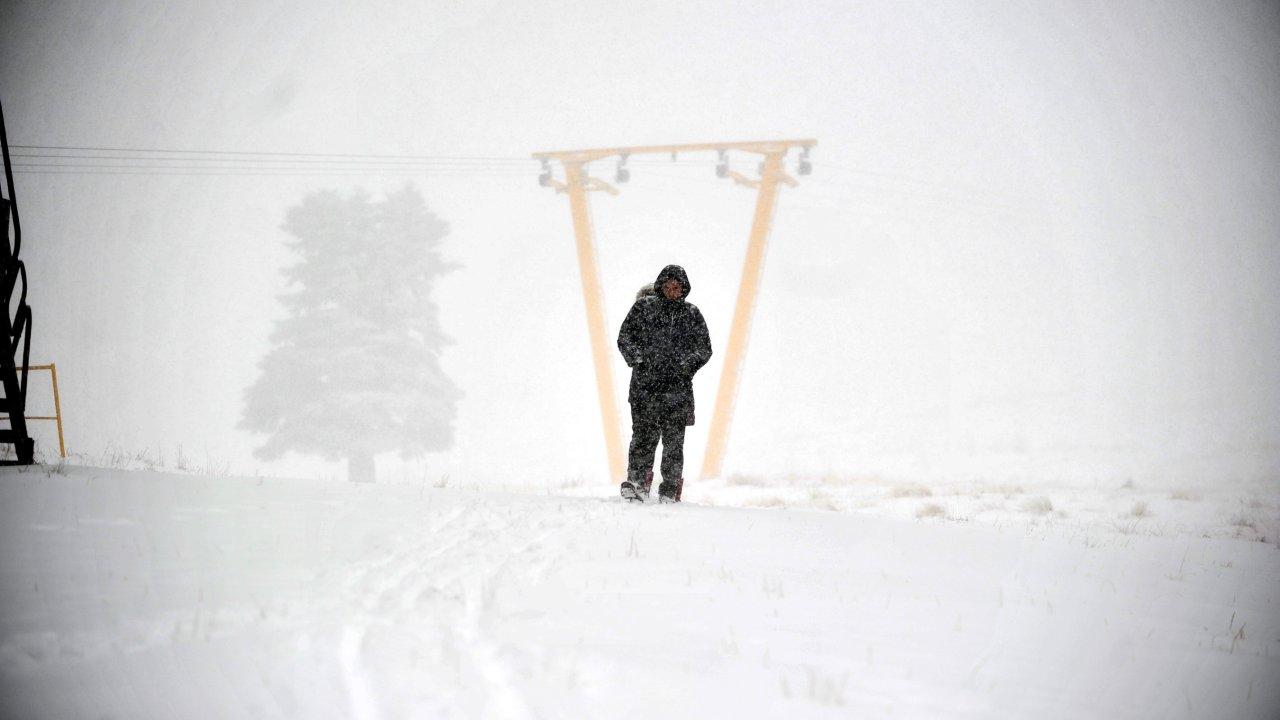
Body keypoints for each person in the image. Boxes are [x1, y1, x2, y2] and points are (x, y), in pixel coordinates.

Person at [616, 264, 712, 503]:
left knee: (673, 443)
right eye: (668, 286)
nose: (672, 290)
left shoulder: (692, 314)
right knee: (642, 437)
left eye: (676, 287)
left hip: (677, 391)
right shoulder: (643, 308)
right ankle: (636, 483)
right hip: (644, 388)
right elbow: (625, 338)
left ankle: (670, 490)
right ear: (660, 286)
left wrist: (685, 366)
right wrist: (639, 360)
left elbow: (704, 349)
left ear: (684, 289)